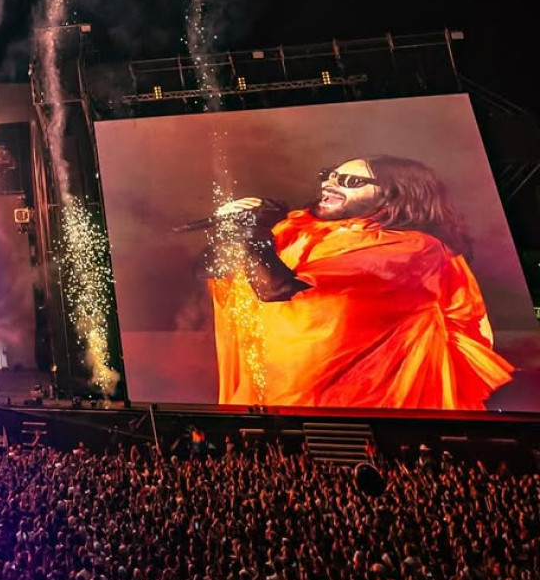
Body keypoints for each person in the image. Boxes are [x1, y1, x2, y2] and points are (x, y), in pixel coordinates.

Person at [203, 155, 514, 408]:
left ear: (393, 195)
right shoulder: (306, 229)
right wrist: (234, 229)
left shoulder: (415, 249)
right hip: (281, 392)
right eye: (329, 175)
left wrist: (255, 236)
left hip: (361, 401)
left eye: (350, 181)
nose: (329, 184)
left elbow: (277, 290)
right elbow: (223, 274)